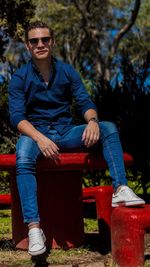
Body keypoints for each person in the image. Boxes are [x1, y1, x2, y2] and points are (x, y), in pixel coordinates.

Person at [8, 20, 145, 256]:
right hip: (34, 134)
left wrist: (92, 122)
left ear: (52, 42)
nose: (40, 44)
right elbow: (17, 118)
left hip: (65, 132)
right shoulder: (20, 77)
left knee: (108, 127)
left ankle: (120, 188)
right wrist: (40, 138)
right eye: (34, 41)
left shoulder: (67, 72)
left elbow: (85, 102)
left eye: (44, 39)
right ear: (27, 45)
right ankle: (34, 228)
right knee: (22, 158)